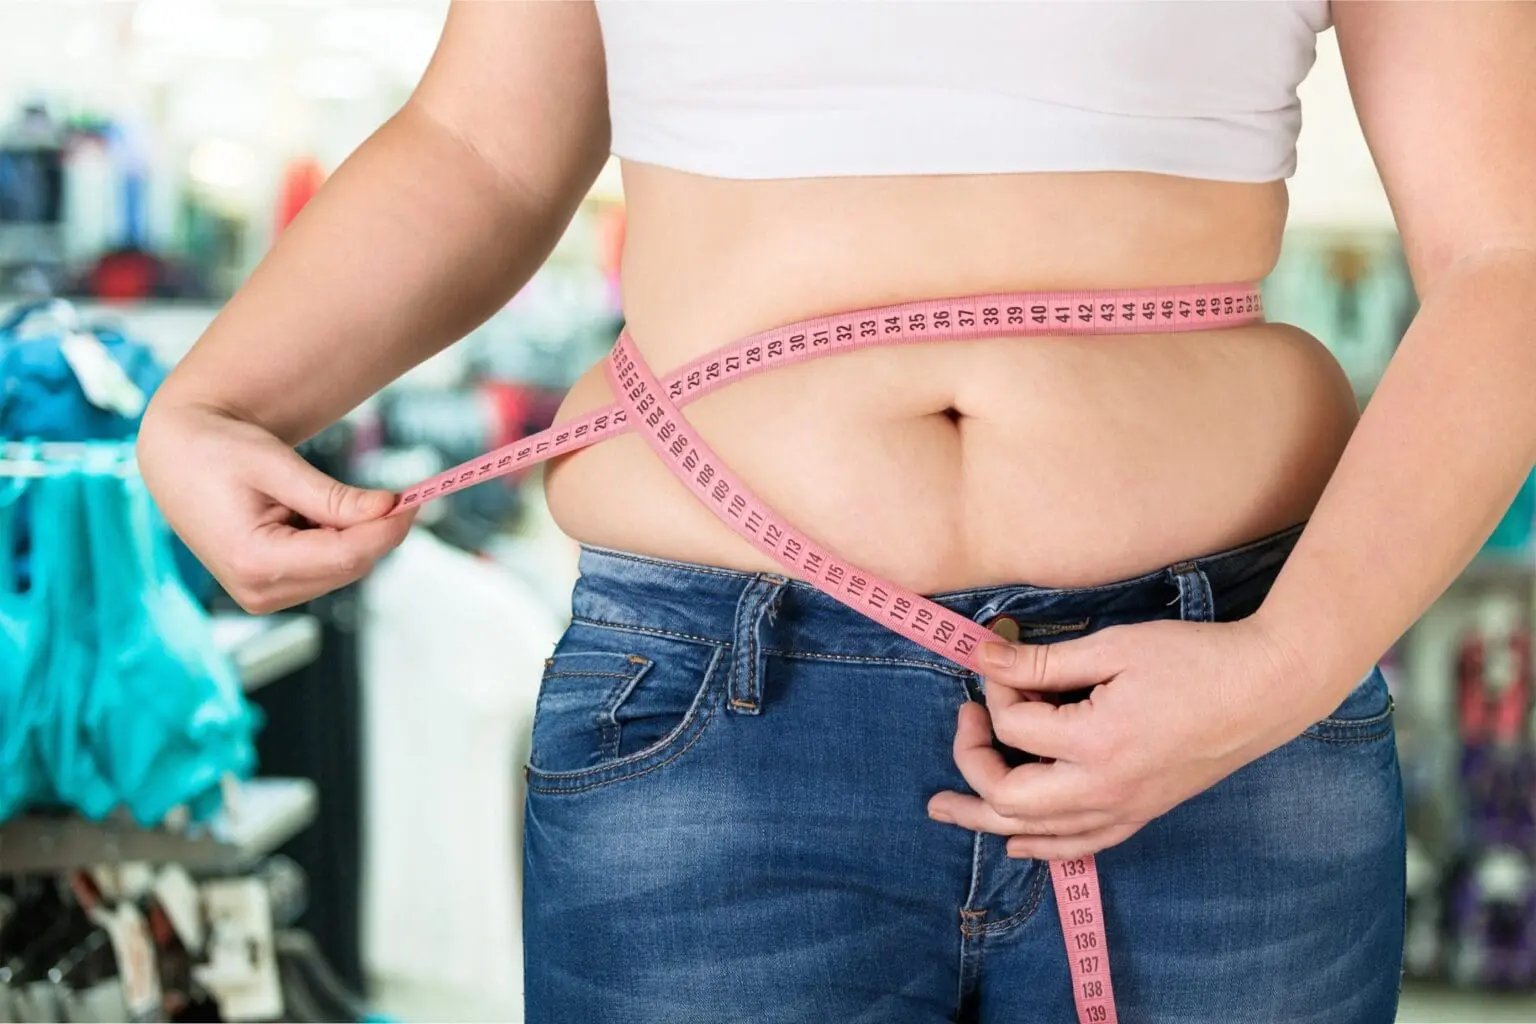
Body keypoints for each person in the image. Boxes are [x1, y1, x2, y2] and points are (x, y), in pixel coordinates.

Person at [136, 2, 1536, 1021]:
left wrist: (1280, 670)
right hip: (710, 717)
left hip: (1227, 711)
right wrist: (215, 400)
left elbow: (1509, 254)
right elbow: (482, 147)